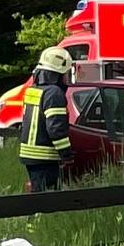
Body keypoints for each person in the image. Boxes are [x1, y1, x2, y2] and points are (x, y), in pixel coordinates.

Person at [16, 46, 75, 192]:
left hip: (29, 155)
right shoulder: (54, 93)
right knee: (46, 199)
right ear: (59, 73)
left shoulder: (33, 90)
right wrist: (66, 153)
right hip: (45, 156)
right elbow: (56, 128)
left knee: (39, 193)